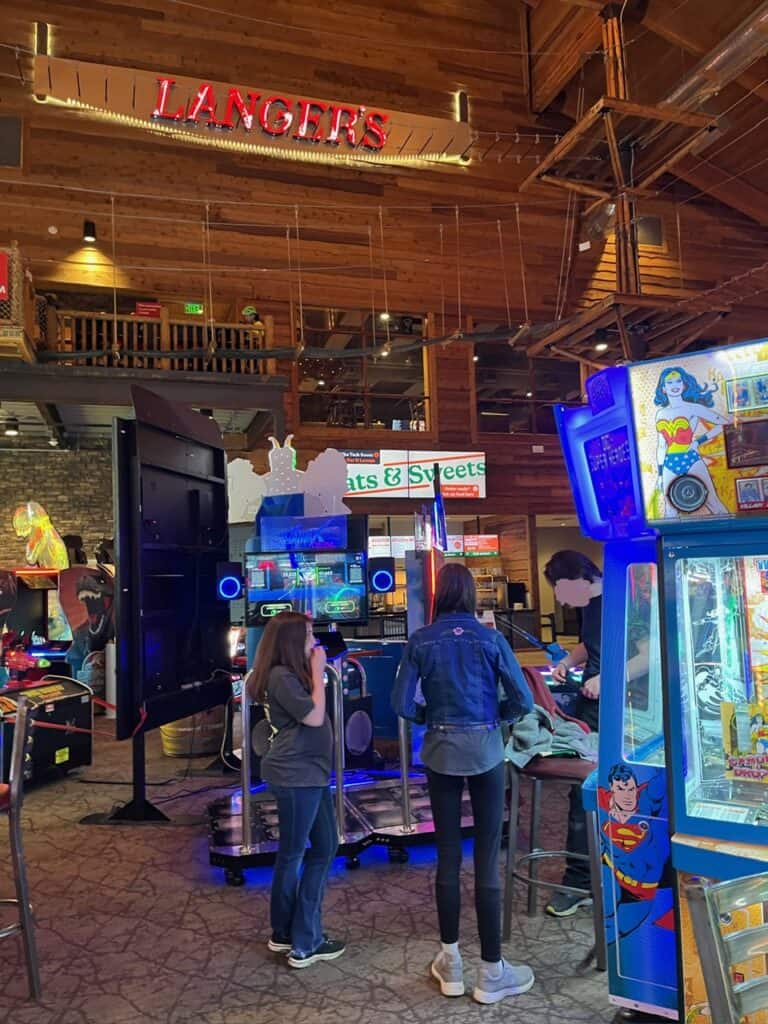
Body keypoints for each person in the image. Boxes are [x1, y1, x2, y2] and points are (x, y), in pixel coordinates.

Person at [391, 563, 534, 1005]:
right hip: (487, 751)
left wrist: (431, 720)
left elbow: (399, 703)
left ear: (439, 597)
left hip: (441, 752)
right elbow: (523, 700)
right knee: (488, 854)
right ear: (473, 596)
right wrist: (496, 723)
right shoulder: (491, 639)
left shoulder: (420, 641)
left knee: (448, 854)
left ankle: (450, 960)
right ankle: (492, 970)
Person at [247, 611, 344, 969]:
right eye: (307, 636)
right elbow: (314, 717)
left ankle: (286, 931)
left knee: (318, 847)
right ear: (290, 643)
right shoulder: (282, 678)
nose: (313, 642)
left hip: (307, 773)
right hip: (296, 773)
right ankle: (305, 941)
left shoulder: (284, 675)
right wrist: (318, 673)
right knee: (307, 851)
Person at [543, 550, 602, 917]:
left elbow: (647, 652)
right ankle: (582, 877)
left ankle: (584, 880)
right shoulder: (590, 606)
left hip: (623, 711)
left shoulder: (626, 596)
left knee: (592, 793)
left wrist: (608, 677)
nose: (561, 599)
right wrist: (567, 662)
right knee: (582, 795)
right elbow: (589, 643)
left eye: (562, 589)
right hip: (591, 709)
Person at [653, 366, 729, 517]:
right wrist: (660, 475)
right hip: (669, 462)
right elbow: (662, 446)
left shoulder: (693, 408)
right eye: (669, 383)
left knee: (713, 501)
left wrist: (698, 442)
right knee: (670, 511)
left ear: (684, 385)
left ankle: (734, 535)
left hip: (691, 458)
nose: (674, 386)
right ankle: (674, 541)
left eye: (678, 381)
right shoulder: (660, 413)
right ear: (663, 389)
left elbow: (723, 423)